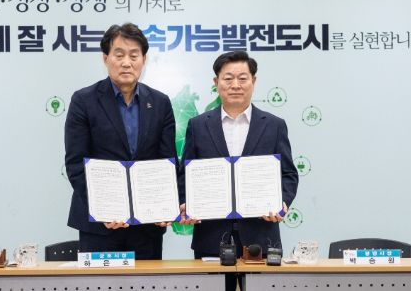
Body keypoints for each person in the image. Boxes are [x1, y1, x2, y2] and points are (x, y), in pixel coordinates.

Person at [180, 51, 298, 288]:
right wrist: (186, 203)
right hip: (210, 236)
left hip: (261, 236)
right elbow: (185, 173)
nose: (235, 85)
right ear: (216, 82)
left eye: (243, 78)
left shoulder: (274, 125)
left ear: (253, 80)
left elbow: (288, 174)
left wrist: (281, 203)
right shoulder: (198, 125)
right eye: (228, 78)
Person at [64, 23, 176, 259]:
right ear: (105, 58)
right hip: (99, 226)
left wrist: (163, 205)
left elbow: (167, 161)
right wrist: (103, 209)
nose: (127, 62)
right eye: (119, 55)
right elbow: (76, 164)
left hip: (146, 226)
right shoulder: (84, 101)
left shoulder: (160, 102)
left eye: (134, 55)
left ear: (144, 60)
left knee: (148, 281)